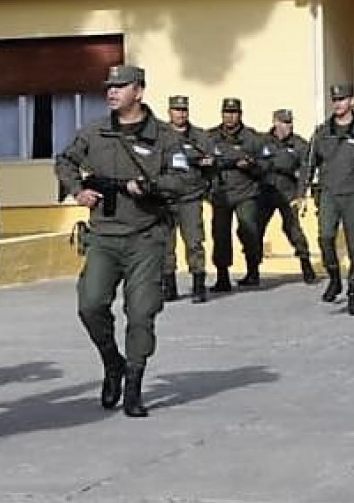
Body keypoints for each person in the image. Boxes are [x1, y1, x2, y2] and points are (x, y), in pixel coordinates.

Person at [56, 64, 198, 418]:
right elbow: (64, 162)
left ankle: (134, 382)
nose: (112, 92)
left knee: (141, 312)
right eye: (109, 86)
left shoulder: (165, 137)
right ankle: (112, 362)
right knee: (89, 305)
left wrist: (150, 186)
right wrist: (78, 191)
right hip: (104, 236)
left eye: (121, 86)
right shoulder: (94, 132)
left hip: (146, 237)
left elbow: (185, 181)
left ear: (140, 91)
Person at [300, 83, 354, 316]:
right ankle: (334, 276)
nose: (338, 104)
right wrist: (302, 192)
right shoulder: (322, 131)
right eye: (335, 100)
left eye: (342, 99)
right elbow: (309, 163)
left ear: (352, 101)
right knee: (325, 237)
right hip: (329, 194)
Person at [207, 98, 268, 289]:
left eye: (234, 113)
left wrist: (251, 166)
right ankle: (222, 276)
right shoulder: (210, 137)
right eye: (227, 113)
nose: (230, 117)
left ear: (240, 114)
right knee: (220, 234)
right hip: (221, 194)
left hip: (246, 192)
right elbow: (199, 160)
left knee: (249, 229)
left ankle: (253, 271)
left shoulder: (252, 138)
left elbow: (266, 164)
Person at [257, 109, 319, 284]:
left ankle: (306, 264)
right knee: (254, 229)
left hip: (288, 190)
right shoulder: (262, 141)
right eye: (284, 122)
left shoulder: (299, 144)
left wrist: (301, 195)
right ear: (275, 122)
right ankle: (252, 269)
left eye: (290, 122)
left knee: (292, 229)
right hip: (266, 190)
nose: (288, 126)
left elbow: (305, 170)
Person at [162, 96, 213, 303]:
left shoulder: (199, 136)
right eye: (176, 110)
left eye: (183, 110)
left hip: (190, 197)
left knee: (194, 242)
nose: (180, 114)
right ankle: (169, 287)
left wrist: (204, 171)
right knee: (166, 244)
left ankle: (199, 286)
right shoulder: (161, 135)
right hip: (166, 198)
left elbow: (212, 163)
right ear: (169, 112)